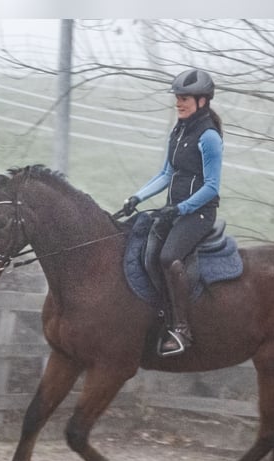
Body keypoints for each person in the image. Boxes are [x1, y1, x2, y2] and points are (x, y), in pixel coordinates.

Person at [120, 68, 224, 356]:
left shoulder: (209, 138)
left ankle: (182, 330)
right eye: (177, 98)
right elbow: (166, 174)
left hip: (199, 214)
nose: (179, 103)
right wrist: (136, 197)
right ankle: (162, 313)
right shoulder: (178, 131)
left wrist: (180, 208)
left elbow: (212, 186)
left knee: (168, 256)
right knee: (148, 251)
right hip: (174, 211)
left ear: (202, 101)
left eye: (185, 98)